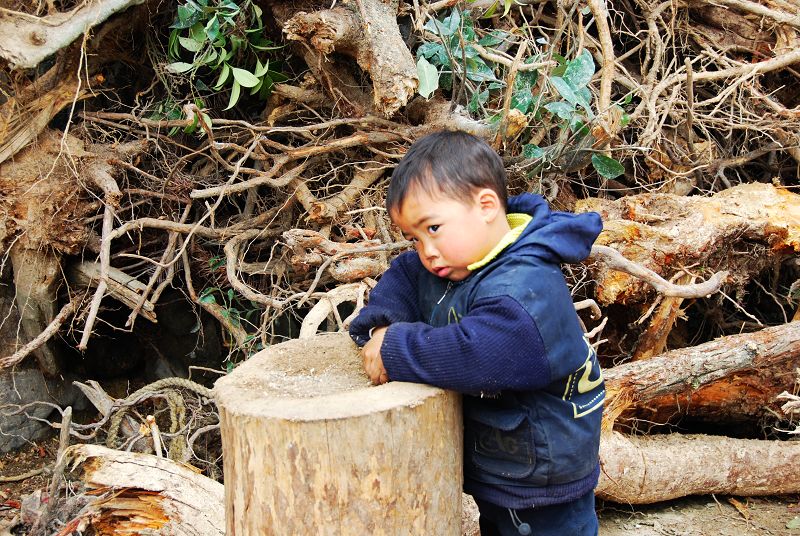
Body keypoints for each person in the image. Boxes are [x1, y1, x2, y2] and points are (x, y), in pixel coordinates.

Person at [348, 130, 605, 536]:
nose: (425, 250)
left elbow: (479, 355)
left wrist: (394, 349)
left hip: (542, 479)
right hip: (506, 463)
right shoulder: (457, 259)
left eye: (432, 228)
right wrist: (381, 325)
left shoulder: (525, 284)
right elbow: (405, 276)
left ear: (485, 205)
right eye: (414, 238)